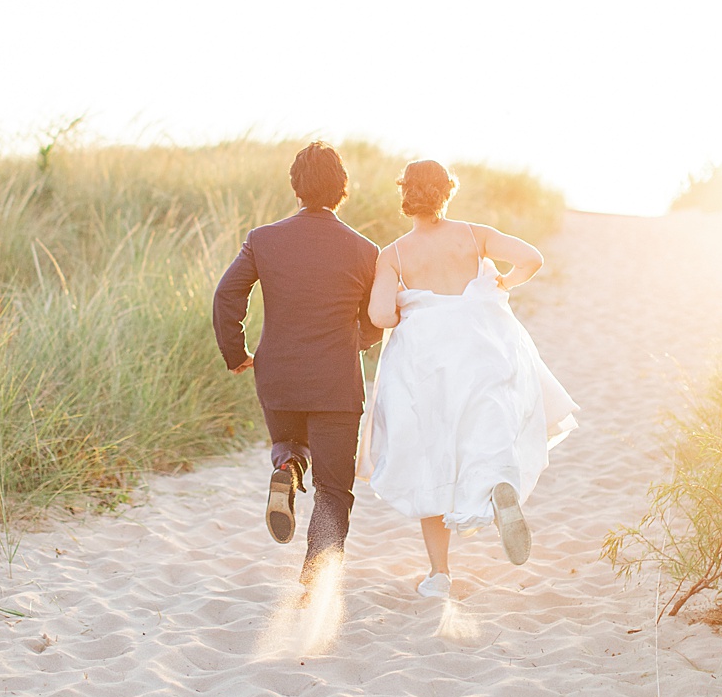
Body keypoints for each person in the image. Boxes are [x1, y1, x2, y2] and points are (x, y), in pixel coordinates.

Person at [362, 159, 578, 598]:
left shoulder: (394, 253)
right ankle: (498, 487)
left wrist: (409, 303)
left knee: (431, 456)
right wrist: (505, 280)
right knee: (484, 430)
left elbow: (380, 315)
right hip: (480, 349)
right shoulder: (474, 234)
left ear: (406, 193)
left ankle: (439, 575)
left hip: (427, 363)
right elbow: (532, 258)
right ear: (447, 191)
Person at [213, 141, 383, 591]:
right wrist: (357, 340)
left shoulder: (263, 239)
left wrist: (237, 354)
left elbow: (227, 295)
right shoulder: (366, 251)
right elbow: (377, 319)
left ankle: (286, 468)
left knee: (289, 440)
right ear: (342, 189)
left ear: (296, 187)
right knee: (333, 489)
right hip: (335, 384)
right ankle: (314, 584)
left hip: (279, 376)